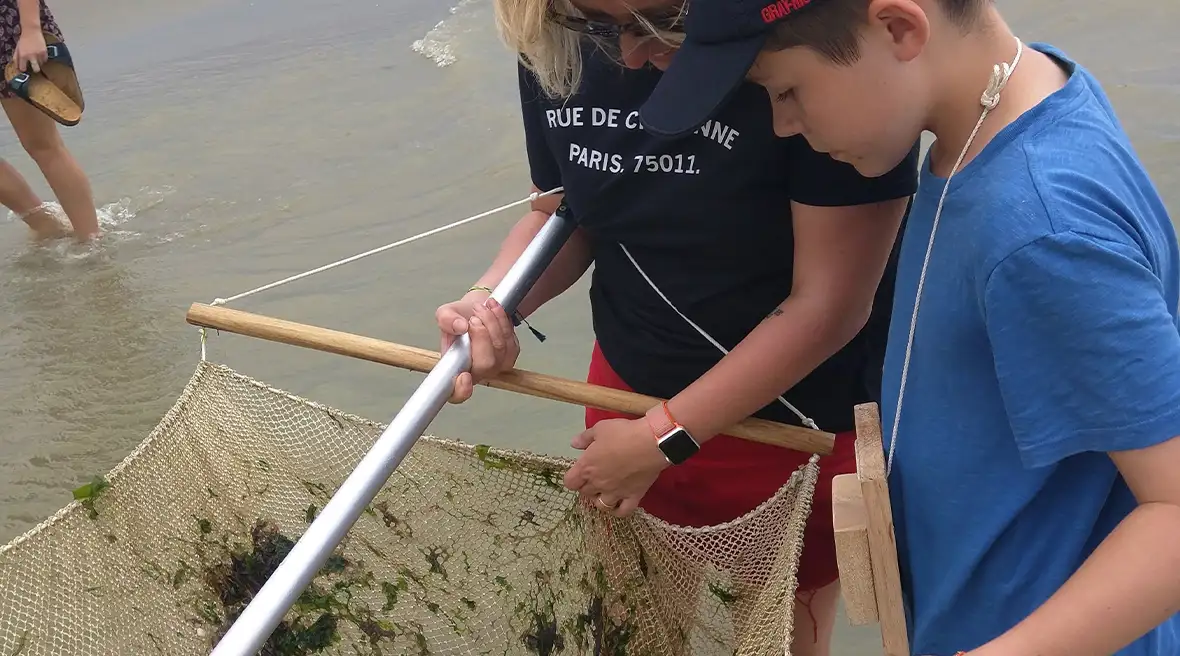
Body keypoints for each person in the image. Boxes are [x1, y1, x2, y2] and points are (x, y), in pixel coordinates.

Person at [636, 0, 1180, 654]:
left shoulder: (1041, 227)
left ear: (898, 28)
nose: (781, 125)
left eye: (786, 90)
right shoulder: (992, 122)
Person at [433, 0, 919, 652]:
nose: (629, 53)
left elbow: (828, 308)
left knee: (773, 639)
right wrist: (491, 304)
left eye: (659, 22)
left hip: (784, 422)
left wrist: (660, 439)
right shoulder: (559, 36)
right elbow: (565, 214)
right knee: (635, 635)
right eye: (596, 25)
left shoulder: (799, 60)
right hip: (622, 398)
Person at [0, 0, 99, 241]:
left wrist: (31, 28)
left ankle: (92, 244)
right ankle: (47, 226)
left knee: (42, 145)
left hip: (7, 28)